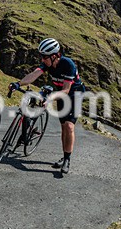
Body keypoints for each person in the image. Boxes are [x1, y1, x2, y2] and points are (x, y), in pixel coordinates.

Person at [10, 38, 85, 174]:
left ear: (55, 55)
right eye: (41, 56)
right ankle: (64, 155)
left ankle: (67, 159)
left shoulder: (68, 64)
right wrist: (18, 84)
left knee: (69, 126)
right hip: (60, 94)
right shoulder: (48, 64)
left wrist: (50, 98)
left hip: (74, 94)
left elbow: (66, 90)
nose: (42, 59)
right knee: (63, 127)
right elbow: (34, 75)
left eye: (44, 56)